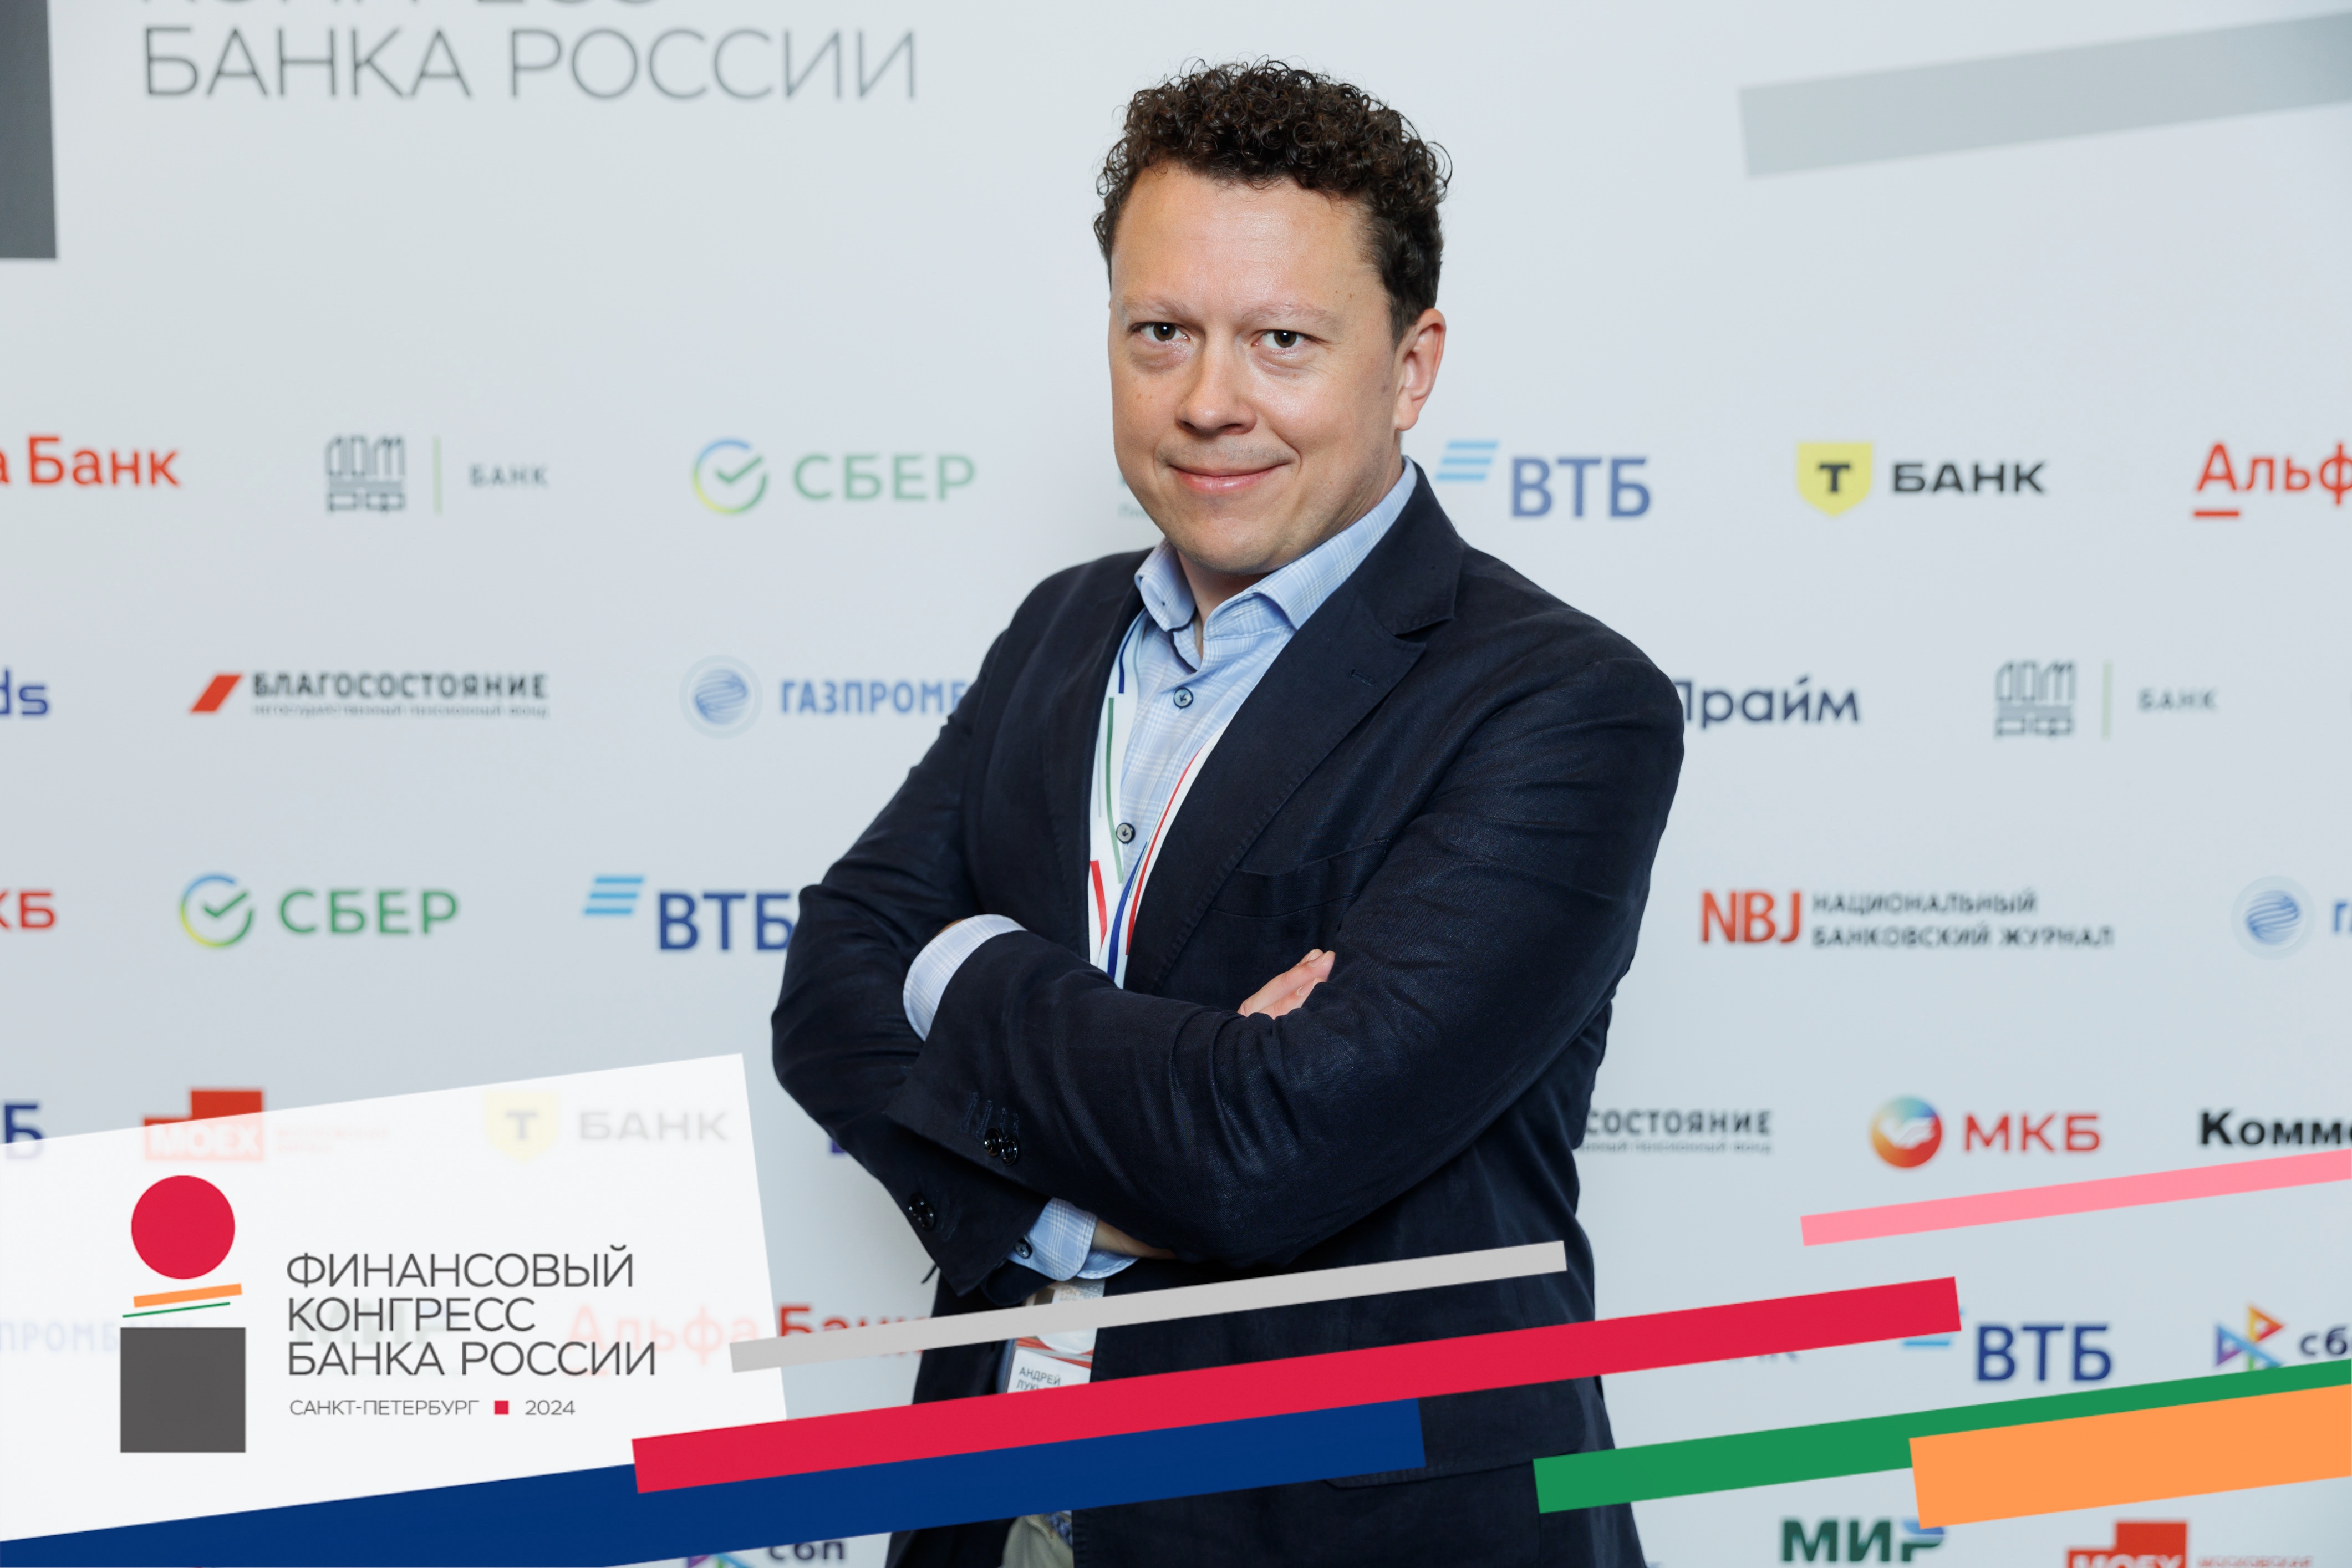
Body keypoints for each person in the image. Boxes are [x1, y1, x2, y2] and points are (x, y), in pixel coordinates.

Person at [775, 59, 1681, 1568]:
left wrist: (965, 965)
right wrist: (1076, 1205)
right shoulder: (1061, 628)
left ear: (1409, 365)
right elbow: (831, 992)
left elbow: (1266, 1149)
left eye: (1282, 341)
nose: (1209, 400)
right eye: (1161, 333)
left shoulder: (1560, 701)